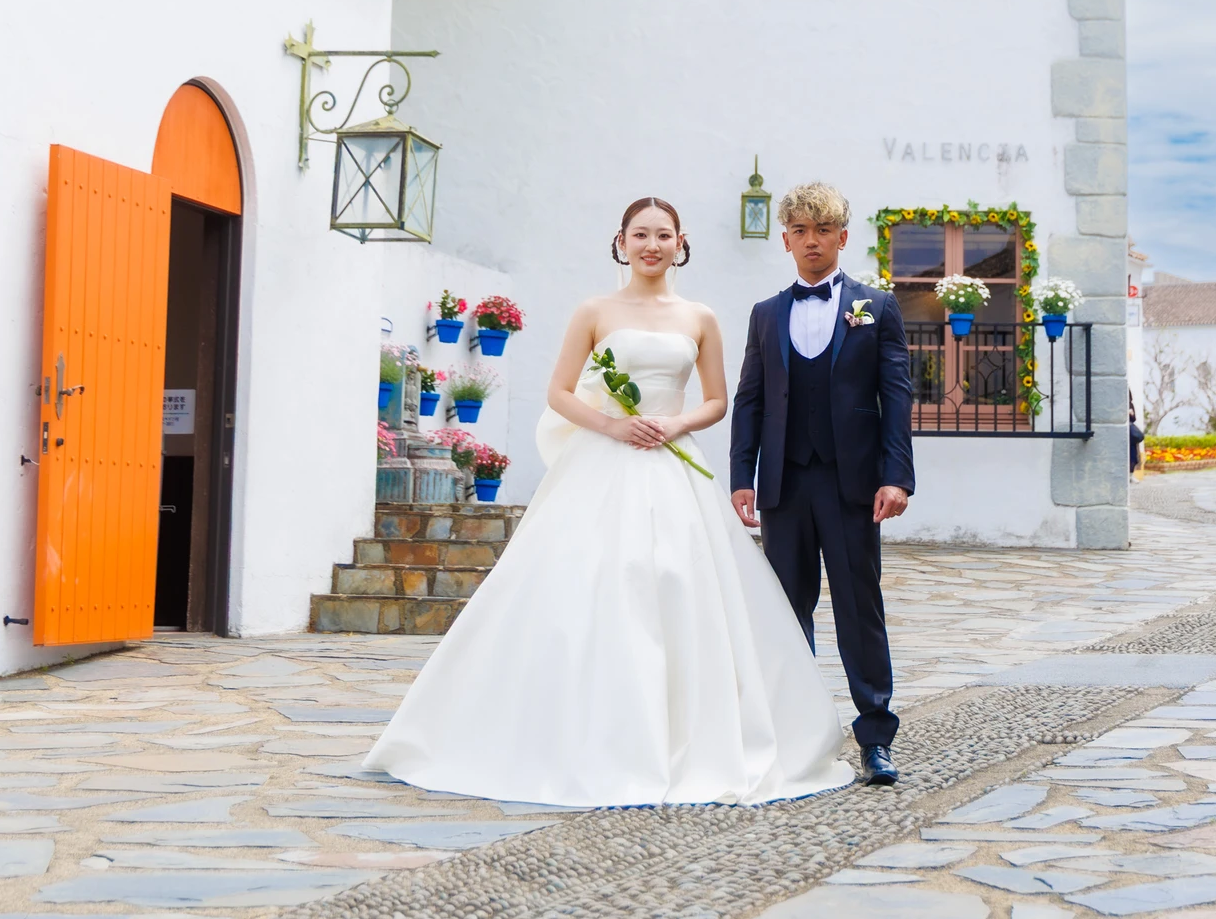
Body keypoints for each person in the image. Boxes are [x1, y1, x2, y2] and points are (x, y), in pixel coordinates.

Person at [363, 198, 854, 807]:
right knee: (593, 584)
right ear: (621, 241)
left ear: (681, 243)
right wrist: (613, 425)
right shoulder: (594, 311)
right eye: (640, 234)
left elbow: (716, 401)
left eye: (663, 235)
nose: (652, 245)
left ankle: (694, 733)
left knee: (681, 583)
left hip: (673, 463)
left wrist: (674, 425)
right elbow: (560, 392)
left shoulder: (699, 317)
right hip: (603, 459)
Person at [730, 182, 914, 787]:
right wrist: (742, 476)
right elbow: (750, 400)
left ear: (842, 237)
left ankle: (876, 738)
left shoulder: (877, 308)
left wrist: (896, 477)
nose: (813, 241)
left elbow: (896, 398)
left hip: (852, 484)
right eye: (801, 231)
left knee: (860, 608)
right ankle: (795, 734)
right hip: (783, 483)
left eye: (824, 230)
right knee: (787, 610)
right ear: (786, 240)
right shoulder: (765, 314)